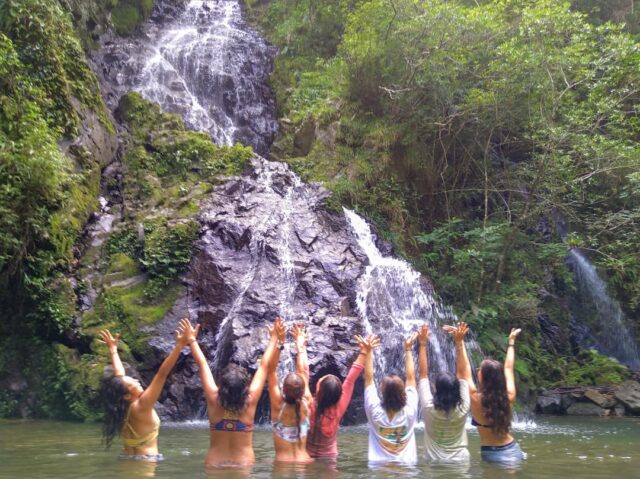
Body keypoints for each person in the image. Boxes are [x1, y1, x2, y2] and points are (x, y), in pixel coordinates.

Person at [187, 316, 283, 468]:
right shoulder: (250, 400)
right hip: (243, 465)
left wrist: (191, 340)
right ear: (245, 387)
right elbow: (264, 366)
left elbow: (203, 364)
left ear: (221, 385)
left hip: (215, 464)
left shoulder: (213, 399)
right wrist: (274, 339)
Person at [99, 318, 194, 461]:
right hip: (146, 461)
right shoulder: (142, 405)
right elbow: (161, 374)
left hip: (126, 458)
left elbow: (120, 376)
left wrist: (113, 350)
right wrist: (179, 346)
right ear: (127, 396)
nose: (137, 381)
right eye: (133, 384)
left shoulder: (121, 407)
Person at [444, 322, 525, 465]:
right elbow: (508, 368)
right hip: (513, 450)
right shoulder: (508, 396)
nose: (477, 370)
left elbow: (463, 372)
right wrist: (511, 342)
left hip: (492, 454)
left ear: (485, 377)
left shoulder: (475, 399)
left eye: (480, 369)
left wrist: (459, 342)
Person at [417, 323, 470, 464]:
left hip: (434, 462)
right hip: (461, 462)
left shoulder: (428, 408)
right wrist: (459, 343)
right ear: (457, 389)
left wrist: (422, 344)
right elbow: (463, 373)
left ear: (435, 388)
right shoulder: (463, 406)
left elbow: (423, 375)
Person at [364, 332, 419, 465]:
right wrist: (408, 349)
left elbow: (369, 379)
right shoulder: (410, 410)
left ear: (382, 392)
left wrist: (369, 351)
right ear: (403, 392)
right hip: (407, 468)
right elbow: (411, 379)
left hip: (378, 468)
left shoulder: (374, 410)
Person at [266, 321, 314, 463]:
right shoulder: (307, 401)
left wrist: (279, 341)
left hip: (283, 465)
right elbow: (303, 370)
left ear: (284, 390)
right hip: (304, 462)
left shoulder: (277, 405)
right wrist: (301, 346)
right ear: (302, 390)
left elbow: (271, 370)